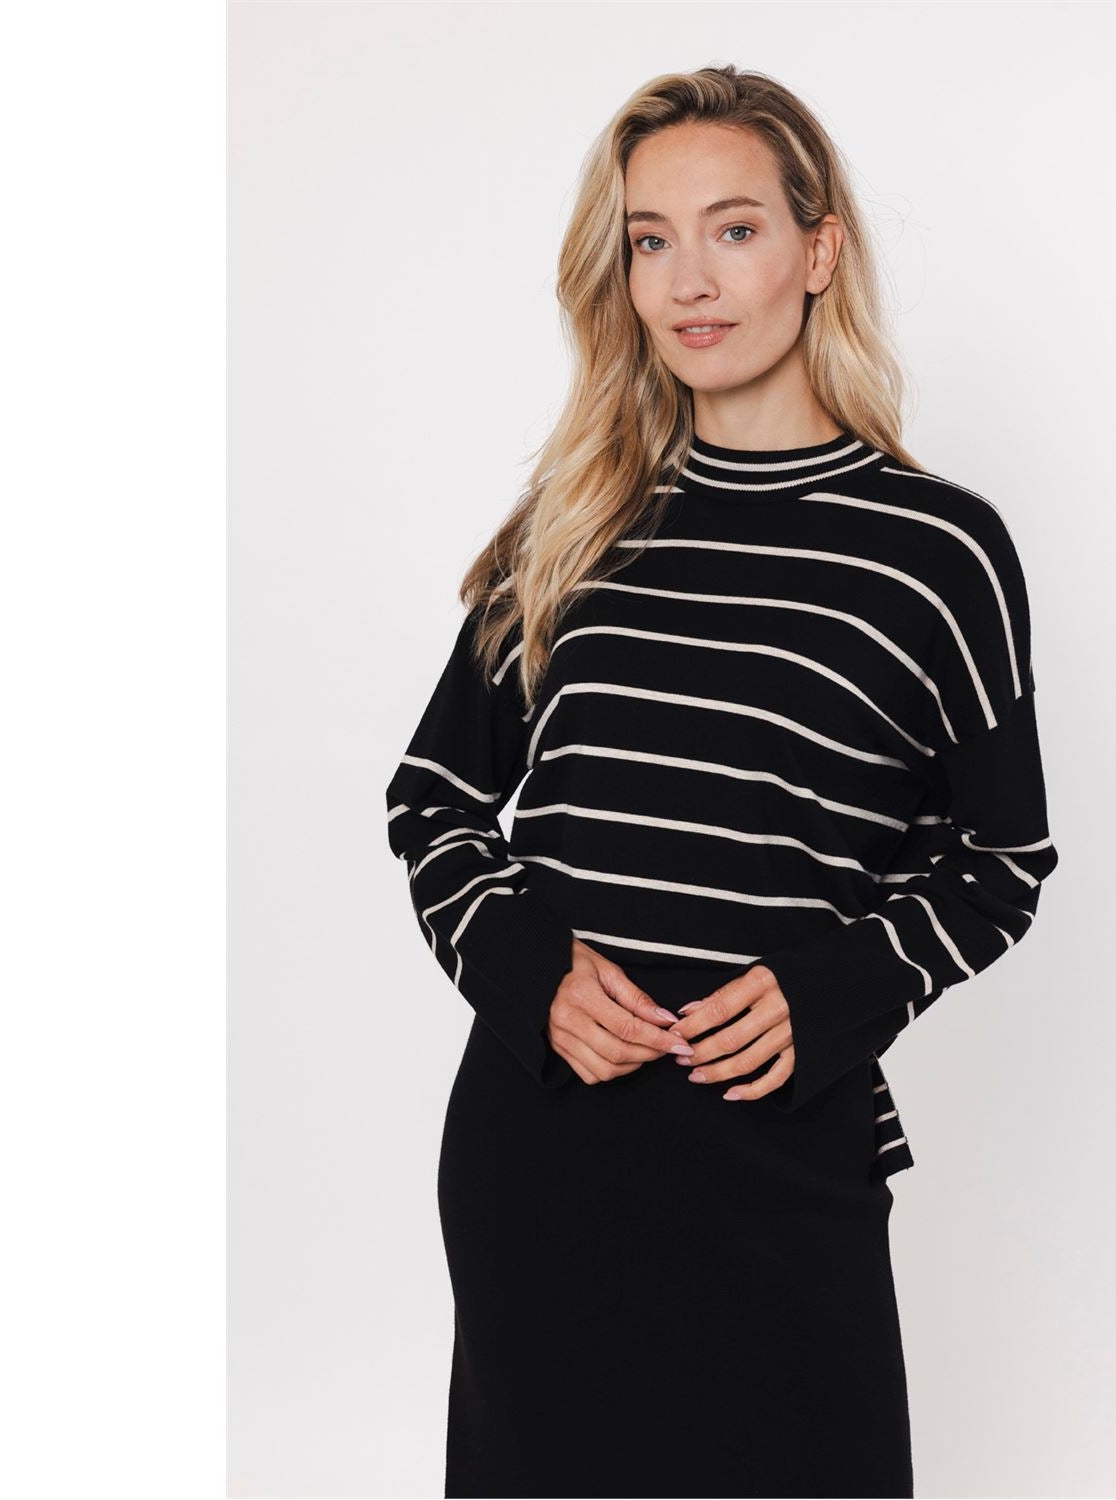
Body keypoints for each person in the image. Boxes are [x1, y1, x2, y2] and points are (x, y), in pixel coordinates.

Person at [384, 63, 1059, 1500]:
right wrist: (523, 966)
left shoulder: (937, 554)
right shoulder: (573, 524)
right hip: (542, 1158)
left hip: (781, 1159)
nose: (688, 279)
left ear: (819, 250)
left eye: (734, 229)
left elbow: (1000, 862)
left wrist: (841, 988)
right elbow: (433, 798)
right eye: (651, 239)